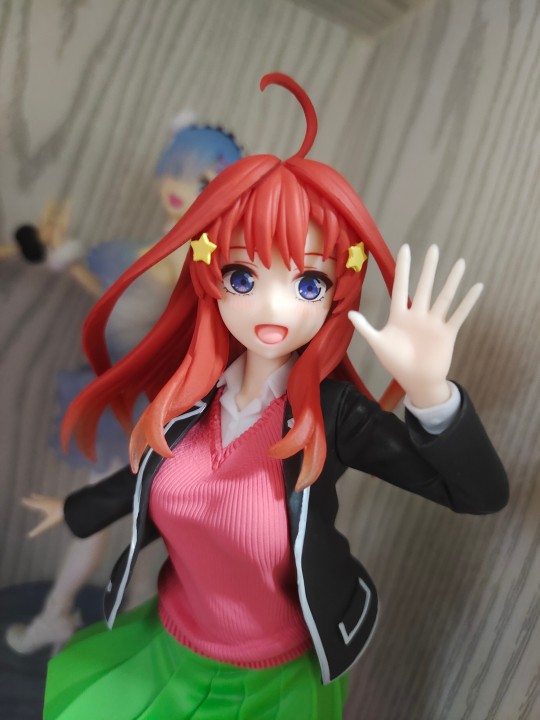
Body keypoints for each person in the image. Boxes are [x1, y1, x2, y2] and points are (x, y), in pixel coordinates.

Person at [25, 73, 508, 720]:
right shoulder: (191, 395)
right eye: (244, 276)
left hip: (273, 679)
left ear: (337, 293)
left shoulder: (331, 416)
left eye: (308, 284)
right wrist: (75, 509)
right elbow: (148, 476)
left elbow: (478, 495)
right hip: (168, 644)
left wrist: (432, 394)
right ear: (210, 278)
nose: (273, 308)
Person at [6, 119, 242, 654]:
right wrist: (62, 259)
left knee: (128, 521)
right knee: (116, 518)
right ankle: (72, 619)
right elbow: (110, 297)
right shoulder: (146, 250)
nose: (179, 186)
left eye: (202, 180)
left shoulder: (197, 264)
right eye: (177, 169)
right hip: (116, 394)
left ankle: (74, 621)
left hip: (147, 409)